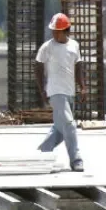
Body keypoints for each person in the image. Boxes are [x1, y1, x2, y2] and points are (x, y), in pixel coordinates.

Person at [35, 13, 85, 172]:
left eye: (58, 31)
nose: (55, 34)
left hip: (70, 91)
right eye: (53, 31)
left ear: (66, 31)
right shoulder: (47, 47)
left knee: (60, 128)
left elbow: (78, 67)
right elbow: (38, 67)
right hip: (55, 91)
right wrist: (42, 88)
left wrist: (82, 87)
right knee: (69, 124)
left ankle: (43, 152)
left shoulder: (74, 46)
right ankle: (76, 159)